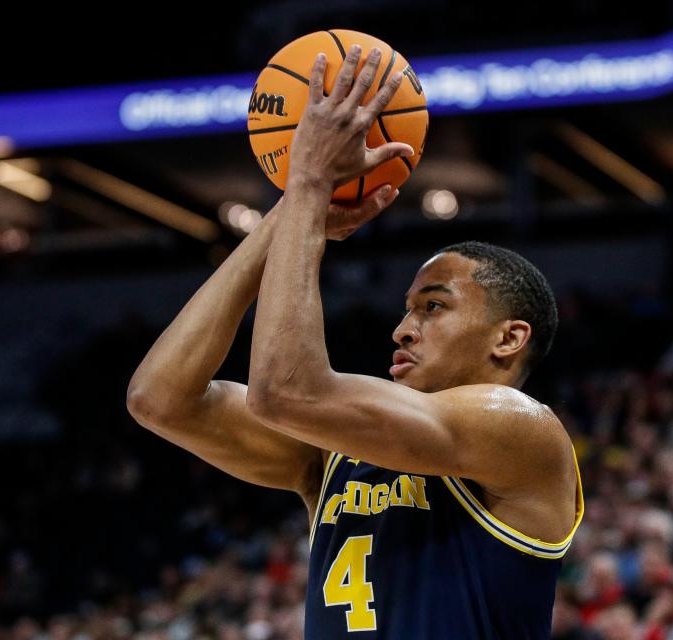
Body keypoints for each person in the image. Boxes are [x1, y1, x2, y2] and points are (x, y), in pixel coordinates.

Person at [127, 44, 583, 639]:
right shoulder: (332, 454)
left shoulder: (522, 429)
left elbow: (286, 390)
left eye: (433, 306)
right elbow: (159, 398)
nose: (402, 327)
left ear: (509, 338)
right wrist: (287, 215)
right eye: (407, 308)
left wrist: (311, 183)